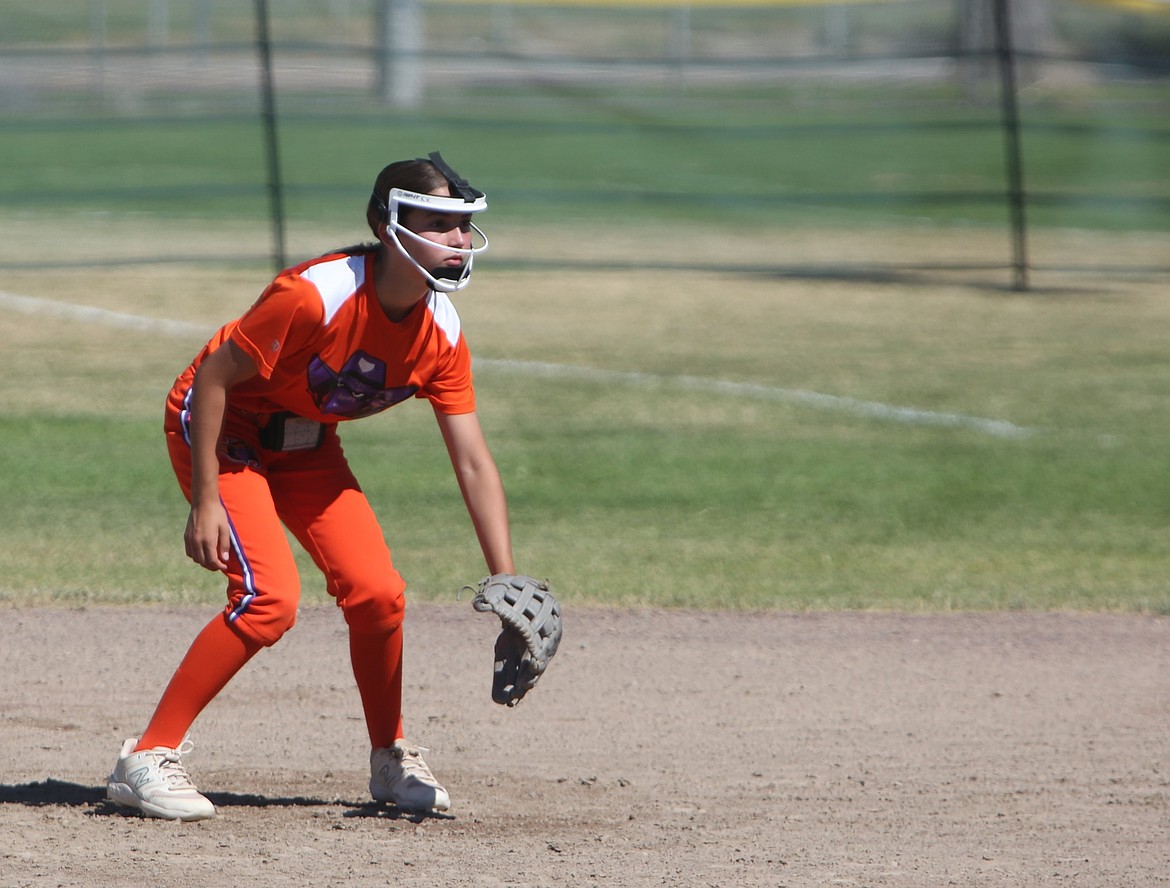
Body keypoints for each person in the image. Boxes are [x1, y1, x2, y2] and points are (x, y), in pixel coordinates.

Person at [107, 152, 515, 821]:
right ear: (390, 228)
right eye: (440, 224)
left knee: (380, 594)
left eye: (463, 227)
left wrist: (506, 580)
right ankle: (145, 757)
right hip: (221, 428)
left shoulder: (440, 332)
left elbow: (472, 460)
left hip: (305, 441)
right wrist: (207, 498)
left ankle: (391, 756)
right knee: (270, 598)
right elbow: (212, 379)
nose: (459, 241)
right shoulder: (315, 295)